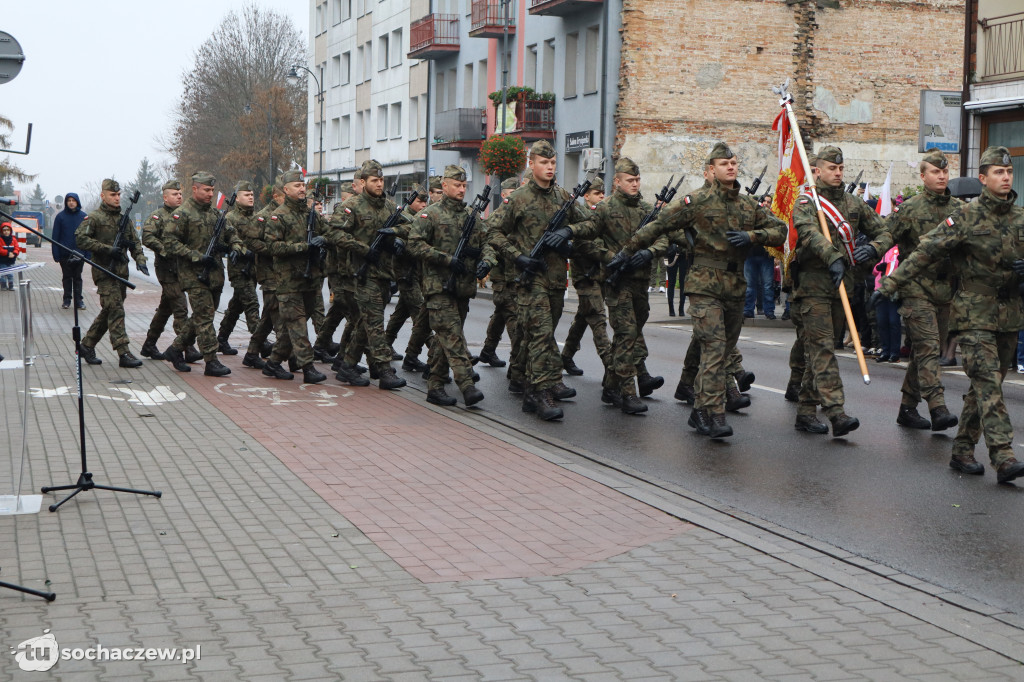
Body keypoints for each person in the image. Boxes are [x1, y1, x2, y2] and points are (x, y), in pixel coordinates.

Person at [876, 146, 1024, 484]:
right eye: (998, 173)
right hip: (973, 313)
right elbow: (924, 252)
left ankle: (961, 451)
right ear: (983, 179)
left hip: (1010, 314)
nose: (1005, 178)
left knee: (985, 387)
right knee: (988, 383)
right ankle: (1003, 456)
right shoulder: (965, 218)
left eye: (1009, 172)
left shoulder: (1021, 218)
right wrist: (887, 286)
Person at [622, 143, 786, 436]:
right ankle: (715, 413)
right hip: (704, 285)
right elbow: (658, 225)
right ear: (711, 170)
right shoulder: (695, 201)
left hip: (735, 286)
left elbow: (780, 231)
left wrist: (752, 236)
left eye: (734, 162)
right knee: (713, 347)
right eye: (724, 163)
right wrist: (627, 251)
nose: (731, 167)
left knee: (721, 352)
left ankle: (699, 410)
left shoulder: (748, 205)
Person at [791, 146, 888, 437]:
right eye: (832, 169)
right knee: (821, 349)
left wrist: (872, 248)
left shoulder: (853, 204)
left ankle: (806, 411)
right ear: (817, 171)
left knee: (822, 350)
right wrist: (832, 256)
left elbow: (884, 231)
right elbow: (808, 233)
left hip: (843, 286)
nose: (838, 173)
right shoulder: (807, 202)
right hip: (813, 287)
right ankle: (836, 412)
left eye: (841, 168)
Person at [488, 140, 586, 421]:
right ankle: (542, 393)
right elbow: (492, 232)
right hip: (530, 280)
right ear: (532, 165)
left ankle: (531, 391)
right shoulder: (518, 198)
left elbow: (591, 223)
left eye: (553, 163)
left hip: (556, 279)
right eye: (544, 163)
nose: (550, 167)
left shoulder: (563, 197)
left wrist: (569, 231)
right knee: (542, 337)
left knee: (539, 338)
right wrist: (517, 256)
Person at [868, 149, 962, 431]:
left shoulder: (960, 209)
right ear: (922, 176)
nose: (941, 176)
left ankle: (907, 408)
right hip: (915, 288)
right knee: (930, 348)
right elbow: (887, 235)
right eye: (935, 172)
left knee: (923, 352)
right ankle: (938, 407)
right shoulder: (910, 208)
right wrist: (871, 250)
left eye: (944, 171)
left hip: (945, 291)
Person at [568, 158, 667, 414]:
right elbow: (584, 241)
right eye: (629, 180)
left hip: (641, 283)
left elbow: (663, 237)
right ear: (617, 182)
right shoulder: (604, 209)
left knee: (632, 335)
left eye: (637, 180)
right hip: (616, 283)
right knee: (626, 335)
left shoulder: (646, 209)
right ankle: (628, 392)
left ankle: (611, 386)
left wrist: (651, 252)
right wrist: (610, 257)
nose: (634, 184)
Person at [408, 164, 490, 406]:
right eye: (457, 185)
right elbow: (414, 244)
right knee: (453, 337)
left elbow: (488, 241)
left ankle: (435, 385)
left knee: (446, 340)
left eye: (464, 185)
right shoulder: (430, 214)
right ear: (444, 186)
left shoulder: (470, 217)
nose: (462, 189)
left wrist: (487, 261)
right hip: (438, 288)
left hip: (462, 288)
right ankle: (467, 386)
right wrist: (446, 259)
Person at [327, 160, 406, 389]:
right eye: (374, 180)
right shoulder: (352, 206)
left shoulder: (389, 207)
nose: (379, 184)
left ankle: (347, 366)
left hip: (384, 273)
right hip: (361, 275)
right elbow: (334, 234)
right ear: (363, 182)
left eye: (381, 180)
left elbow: (409, 227)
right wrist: (364, 249)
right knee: (374, 324)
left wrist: (396, 236)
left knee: (363, 323)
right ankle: (384, 370)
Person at [161, 171, 243, 377]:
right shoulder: (183, 214)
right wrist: (195, 256)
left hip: (214, 274)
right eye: (206, 190)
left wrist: (235, 247)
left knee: (201, 316)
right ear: (195, 189)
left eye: (212, 190)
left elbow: (231, 233)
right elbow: (170, 242)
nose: (210, 194)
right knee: (205, 318)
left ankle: (175, 349)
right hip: (193, 275)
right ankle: (211, 360)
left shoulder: (216, 214)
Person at [74, 179, 149, 368]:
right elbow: (80, 239)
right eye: (113, 195)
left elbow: (135, 242)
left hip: (121, 273)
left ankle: (86, 345)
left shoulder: (124, 219)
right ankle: (124, 353)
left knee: (109, 310)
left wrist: (140, 260)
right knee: (116, 310)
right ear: (103, 195)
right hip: (104, 272)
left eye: (118, 195)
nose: (117, 198)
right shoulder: (95, 218)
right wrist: (107, 249)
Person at [262, 170, 328, 384]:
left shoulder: (311, 213)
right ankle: (308, 368)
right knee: (298, 326)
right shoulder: (278, 216)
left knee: (293, 326)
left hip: (310, 279)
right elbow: (272, 246)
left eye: (303, 185)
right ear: (286, 189)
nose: (302, 188)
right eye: (297, 185)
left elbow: (329, 231)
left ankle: (272, 363)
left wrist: (322, 240)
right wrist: (304, 247)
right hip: (288, 282)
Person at [560, 176, 613, 379]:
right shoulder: (579, 215)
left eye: (603, 193)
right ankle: (611, 368)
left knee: (583, 318)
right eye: (597, 194)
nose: (601, 197)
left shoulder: (602, 214)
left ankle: (566, 355)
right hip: (585, 276)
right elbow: (581, 244)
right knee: (598, 319)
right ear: (586, 196)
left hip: (601, 275)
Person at [140, 180, 193, 361]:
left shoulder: (184, 215)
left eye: (180, 194)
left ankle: (149, 345)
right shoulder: (158, 216)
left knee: (165, 309)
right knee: (180, 307)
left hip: (182, 269)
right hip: (167, 270)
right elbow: (147, 236)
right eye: (174, 194)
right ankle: (187, 347)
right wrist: (164, 249)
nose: (179, 196)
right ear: (165, 197)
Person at [477, 177, 521, 368]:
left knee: (501, 313)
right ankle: (518, 363)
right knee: (512, 316)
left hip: (515, 274)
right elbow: (490, 243)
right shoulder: (496, 216)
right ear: (503, 195)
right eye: (512, 194)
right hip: (502, 274)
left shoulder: (518, 215)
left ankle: (488, 350)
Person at [216, 181, 261, 355]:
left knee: (236, 306)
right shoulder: (230, 218)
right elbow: (223, 243)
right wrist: (240, 251)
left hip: (254, 268)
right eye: (246, 195)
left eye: (252, 195)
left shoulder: (257, 217)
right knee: (252, 304)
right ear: (238, 198)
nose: (250, 197)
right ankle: (259, 342)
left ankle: (221, 338)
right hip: (239, 269)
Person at [384, 184, 428, 359]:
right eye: (419, 201)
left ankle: (386, 344)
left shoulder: (424, 217)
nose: (423, 205)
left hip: (418, 271)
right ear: (411, 200)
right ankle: (440, 351)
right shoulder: (403, 217)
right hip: (405, 271)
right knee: (422, 314)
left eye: (425, 202)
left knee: (402, 311)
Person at [51, 192, 87, 308]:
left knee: (77, 277)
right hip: (64, 254)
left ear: (77, 202)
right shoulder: (60, 217)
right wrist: (56, 254)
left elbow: (89, 236)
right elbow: (55, 237)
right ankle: (67, 300)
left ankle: (79, 301)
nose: (71, 203)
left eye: (73, 200)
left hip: (79, 253)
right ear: (66, 203)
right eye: (69, 201)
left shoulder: (84, 217)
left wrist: (88, 254)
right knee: (67, 277)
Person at [873, 246, 902, 362]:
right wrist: (880, 267)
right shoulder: (886, 249)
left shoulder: (899, 249)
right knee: (882, 321)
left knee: (893, 321)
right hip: (880, 289)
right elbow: (875, 270)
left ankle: (894, 352)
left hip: (893, 290)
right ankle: (885, 351)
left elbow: (898, 266)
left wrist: (888, 267)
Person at [0, 222, 21, 290]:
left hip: (11, 260)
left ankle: (11, 285)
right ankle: (3, 285)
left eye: (8, 230)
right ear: (2, 231)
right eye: (4, 230)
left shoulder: (13, 239)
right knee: (3, 273)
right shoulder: (0, 240)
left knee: (10, 274)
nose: (6, 232)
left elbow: (17, 248)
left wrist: (14, 254)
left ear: (10, 231)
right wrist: (8, 253)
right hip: (2, 260)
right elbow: (0, 250)